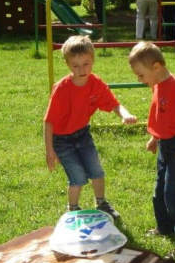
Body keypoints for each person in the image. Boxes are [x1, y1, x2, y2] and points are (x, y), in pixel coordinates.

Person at [44, 36, 137, 219]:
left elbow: (114, 104)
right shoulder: (62, 89)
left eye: (86, 64)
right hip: (61, 140)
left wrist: (125, 114)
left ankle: (102, 203)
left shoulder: (96, 84)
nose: (82, 70)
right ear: (67, 64)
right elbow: (49, 122)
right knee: (77, 177)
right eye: (75, 65)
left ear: (93, 60)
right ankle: (73, 210)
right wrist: (50, 151)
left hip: (83, 134)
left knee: (96, 170)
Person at [128, 42, 175, 257]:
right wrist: (155, 136)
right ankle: (165, 227)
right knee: (160, 191)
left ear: (156, 67)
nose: (139, 80)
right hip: (165, 146)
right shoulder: (157, 85)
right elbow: (160, 115)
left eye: (141, 75)